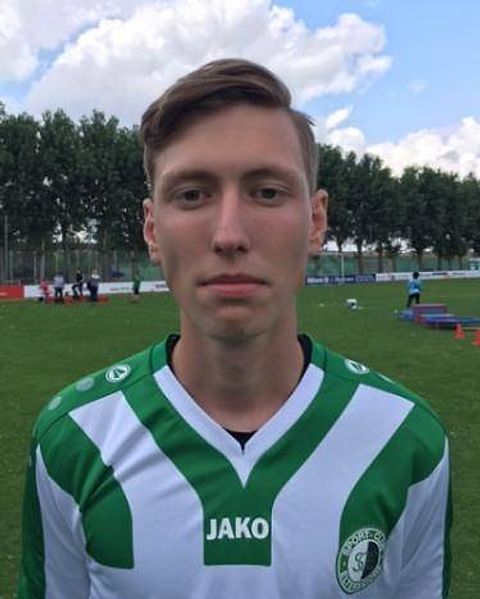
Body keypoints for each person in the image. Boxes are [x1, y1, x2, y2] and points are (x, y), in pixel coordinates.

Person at [18, 59, 451, 598]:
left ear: (315, 222)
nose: (229, 235)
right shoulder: (74, 438)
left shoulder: (406, 438)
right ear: (152, 229)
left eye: (266, 192)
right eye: (192, 194)